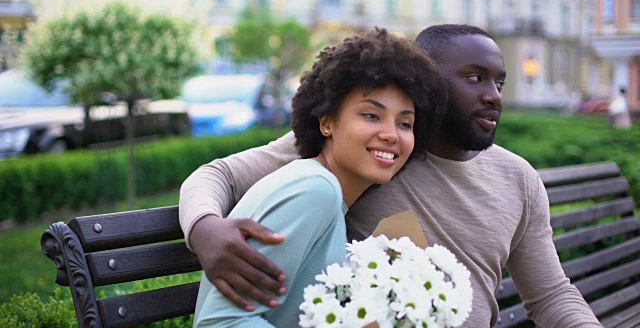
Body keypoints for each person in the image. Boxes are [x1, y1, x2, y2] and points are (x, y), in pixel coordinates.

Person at [180, 24, 603, 327]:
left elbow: (551, 296)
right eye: (474, 78)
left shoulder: (517, 178)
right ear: (429, 83)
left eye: (500, 82)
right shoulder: (357, 151)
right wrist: (204, 229)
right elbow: (219, 175)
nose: (493, 95)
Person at [191, 28, 447, 327]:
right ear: (327, 123)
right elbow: (219, 323)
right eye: (371, 116)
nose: (391, 134)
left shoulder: (327, 194)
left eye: (405, 123)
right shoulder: (316, 190)